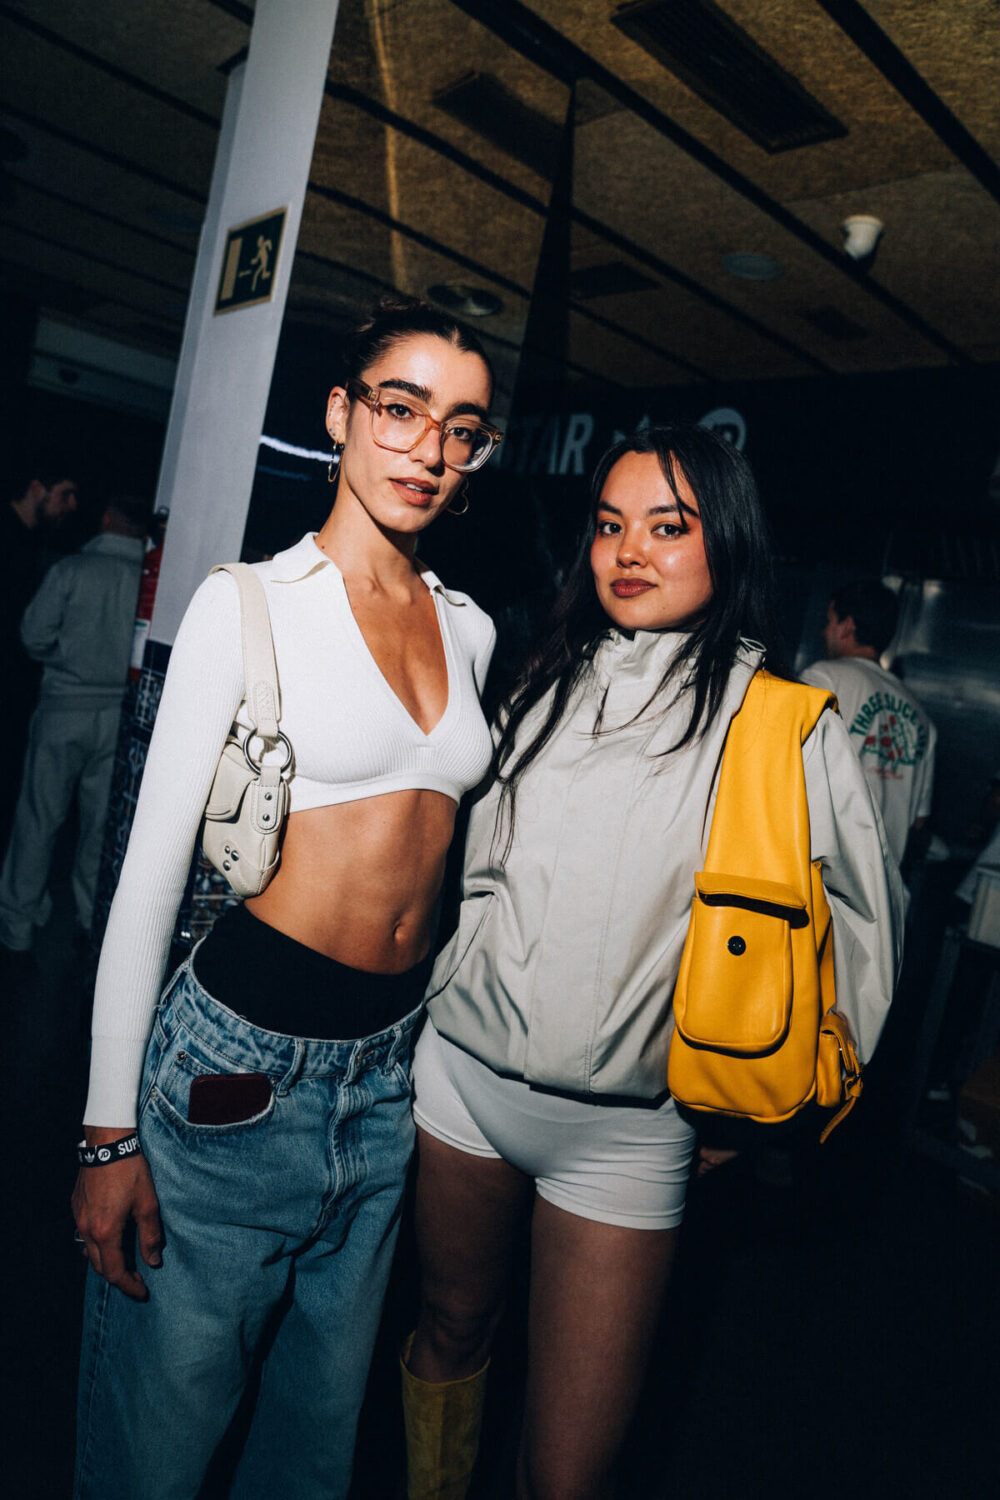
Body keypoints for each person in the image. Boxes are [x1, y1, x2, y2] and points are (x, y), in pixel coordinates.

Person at [402, 425, 903, 1500]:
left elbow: (864, 932)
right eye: (609, 525)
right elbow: (473, 878)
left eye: (668, 527)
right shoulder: (538, 685)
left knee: (569, 1471)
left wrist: (761, 1104)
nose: (629, 550)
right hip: (462, 1089)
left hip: (629, 1136)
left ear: (727, 541)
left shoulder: (783, 725)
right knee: (447, 1328)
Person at [71, 300, 502, 1500]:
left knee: (311, 1455)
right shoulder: (248, 603)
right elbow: (148, 882)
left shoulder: (469, 629)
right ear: (341, 414)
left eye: (462, 428)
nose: (429, 449)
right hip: (234, 1075)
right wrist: (107, 1134)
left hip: (386, 1079)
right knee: (158, 1451)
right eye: (401, 410)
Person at [0, 496, 150, 966]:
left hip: (63, 710)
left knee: (38, 819)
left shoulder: (72, 570)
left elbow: (32, 635)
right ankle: (89, 921)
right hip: (116, 717)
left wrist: (64, 662)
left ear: (106, 517)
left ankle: (17, 925)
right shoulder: (147, 580)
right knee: (99, 829)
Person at [801, 579, 936, 875]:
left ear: (847, 626)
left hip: (819, 882)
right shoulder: (921, 717)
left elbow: (782, 770)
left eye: (829, 621)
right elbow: (919, 822)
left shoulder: (824, 679)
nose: (824, 631)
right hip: (882, 890)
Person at [0, 462, 79, 849]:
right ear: (36, 488)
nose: (72, 505)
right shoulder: (11, 538)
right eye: (65, 493)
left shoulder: (32, 543)